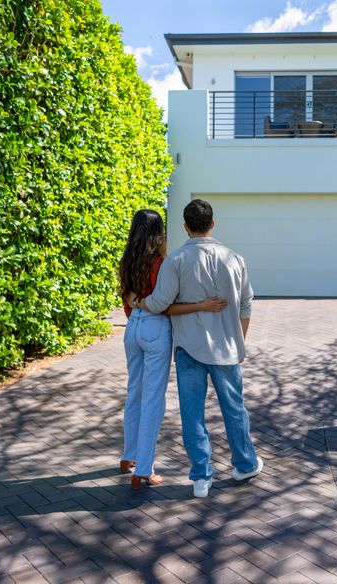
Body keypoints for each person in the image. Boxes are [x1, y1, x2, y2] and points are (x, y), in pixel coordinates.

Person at [133, 199, 262, 498]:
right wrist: (239, 340)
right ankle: (245, 464)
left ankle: (201, 477)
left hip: (189, 349)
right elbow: (246, 304)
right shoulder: (235, 258)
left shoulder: (175, 261)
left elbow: (159, 303)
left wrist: (138, 302)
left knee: (192, 415)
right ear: (213, 224)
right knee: (235, 409)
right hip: (227, 349)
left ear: (185, 227)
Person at [118, 209, 226, 491]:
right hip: (155, 328)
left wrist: (137, 311)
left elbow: (127, 300)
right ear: (158, 232)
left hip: (133, 329)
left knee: (135, 392)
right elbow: (164, 304)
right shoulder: (160, 263)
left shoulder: (127, 259)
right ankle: (144, 469)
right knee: (153, 399)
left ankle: (128, 455)